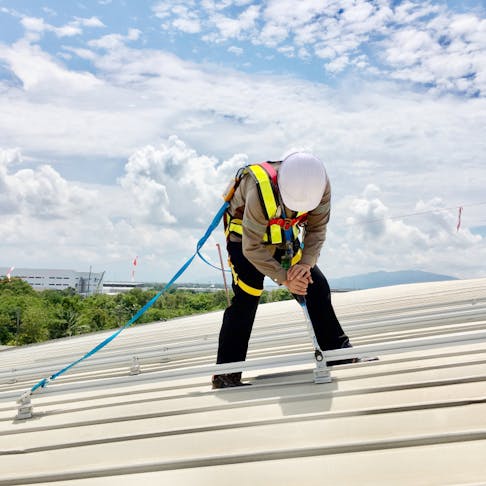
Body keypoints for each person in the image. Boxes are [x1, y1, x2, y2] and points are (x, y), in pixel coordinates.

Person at [212, 152, 355, 389]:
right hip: (245, 240)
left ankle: (337, 353)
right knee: (247, 298)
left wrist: (304, 266)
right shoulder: (259, 188)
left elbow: (317, 230)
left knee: (315, 287)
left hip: (284, 236)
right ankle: (226, 374)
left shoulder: (319, 186)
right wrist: (284, 278)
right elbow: (252, 247)